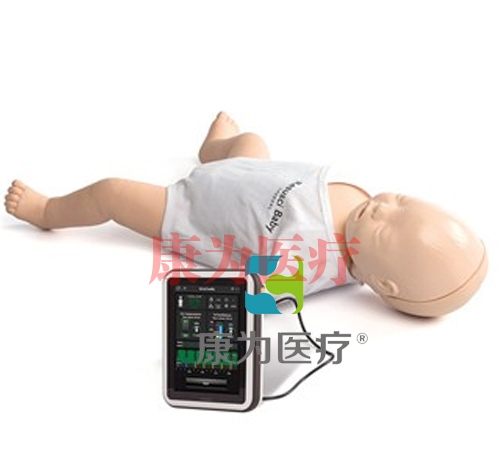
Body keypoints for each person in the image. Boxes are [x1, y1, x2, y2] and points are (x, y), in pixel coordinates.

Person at [4, 112, 488, 317]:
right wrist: (234, 165)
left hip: (192, 210)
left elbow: (263, 298)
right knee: (252, 141)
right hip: (245, 172)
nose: (383, 206)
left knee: (112, 193)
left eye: (385, 228)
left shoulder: (311, 268)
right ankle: (213, 150)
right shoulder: (361, 203)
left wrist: (250, 297)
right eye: (402, 201)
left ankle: (49, 210)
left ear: (384, 284)